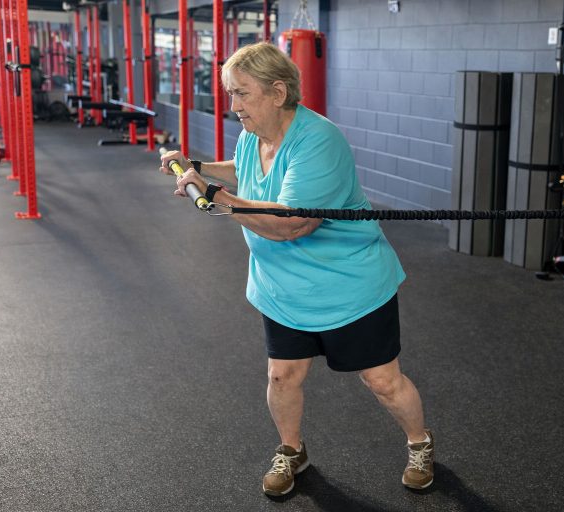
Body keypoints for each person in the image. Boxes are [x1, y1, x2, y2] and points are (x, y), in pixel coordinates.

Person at [160, 42, 433, 497]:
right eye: (230, 93)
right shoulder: (255, 134)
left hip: (349, 285)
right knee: (282, 376)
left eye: (242, 94)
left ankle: (419, 443)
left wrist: (217, 196)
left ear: (278, 92)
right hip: (284, 287)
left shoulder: (318, 141)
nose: (234, 106)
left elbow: (292, 225)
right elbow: (246, 171)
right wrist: (198, 166)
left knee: (383, 381)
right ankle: (292, 450)